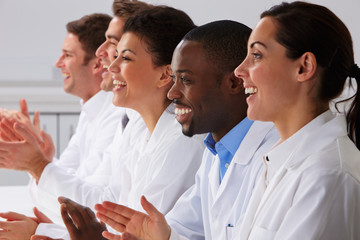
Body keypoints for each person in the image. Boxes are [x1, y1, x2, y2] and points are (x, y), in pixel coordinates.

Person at [32, 5, 205, 240]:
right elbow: (111, 217)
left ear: (165, 75)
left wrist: (43, 231)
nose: (112, 67)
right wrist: (49, 230)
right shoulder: (137, 128)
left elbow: (132, 232)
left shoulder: (184, 141)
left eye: (125, 58)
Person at [94, 20, 279, 240]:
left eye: (186, 80)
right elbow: (180, 229)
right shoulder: (216, 154)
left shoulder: (273, 157)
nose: (172, 93)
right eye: (175, 79)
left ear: (234, 83)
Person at [233, 2, 360, 239]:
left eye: (257, 55)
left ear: (304, 67)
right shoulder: (278, 161)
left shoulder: (328, 176)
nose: (239, 70)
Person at [0, 13, 125, 239]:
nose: (58, 63)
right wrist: (37, 161)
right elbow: (61, 196)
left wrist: (39, 165)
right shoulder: (91, 110)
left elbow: (95, 209)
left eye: (67, 55)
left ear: (98, 63)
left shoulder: (115, 116)